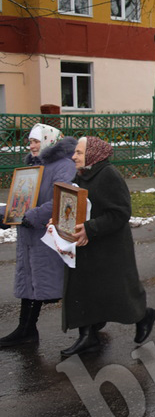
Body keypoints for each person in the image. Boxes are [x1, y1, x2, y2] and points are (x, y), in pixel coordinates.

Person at [60, 137, 155, 357]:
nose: (73, 156)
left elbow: (120, 212)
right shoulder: (83, 174)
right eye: (75, 152)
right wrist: (58, 221)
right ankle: (87, 336)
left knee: (117, 293)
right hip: (85, 247)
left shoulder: (108, 175)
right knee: (83, 290)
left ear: (93, 153)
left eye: (79, 152)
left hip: (109, 249)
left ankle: (144, 316)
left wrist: (91, 228)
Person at [0, 125, 76, 348]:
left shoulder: (64, 166)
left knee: (60, 284)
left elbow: (61, 199)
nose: (31, 145)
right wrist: (7, 215)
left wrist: (30, 217)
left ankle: (94, 323)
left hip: (49, 235)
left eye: (35, 141)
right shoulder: (34, 166)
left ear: (48, 140)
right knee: (32, 283)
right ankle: (26, 329)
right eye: (30, 141)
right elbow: (22, 201)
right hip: (30, 236)